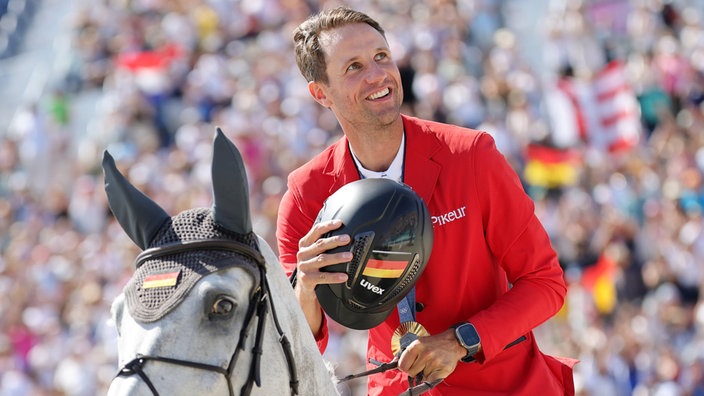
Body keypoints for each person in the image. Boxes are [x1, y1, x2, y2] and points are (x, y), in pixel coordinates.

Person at [276, 6, 577, 395]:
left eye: (381, 56)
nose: (377, 74)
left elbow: (546, 283)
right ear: (321, 93)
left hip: (506, 384)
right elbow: (298, 343)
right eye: (353, 66)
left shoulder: (472, 155)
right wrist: (304, 289)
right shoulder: (305, 194)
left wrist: (460, 340)